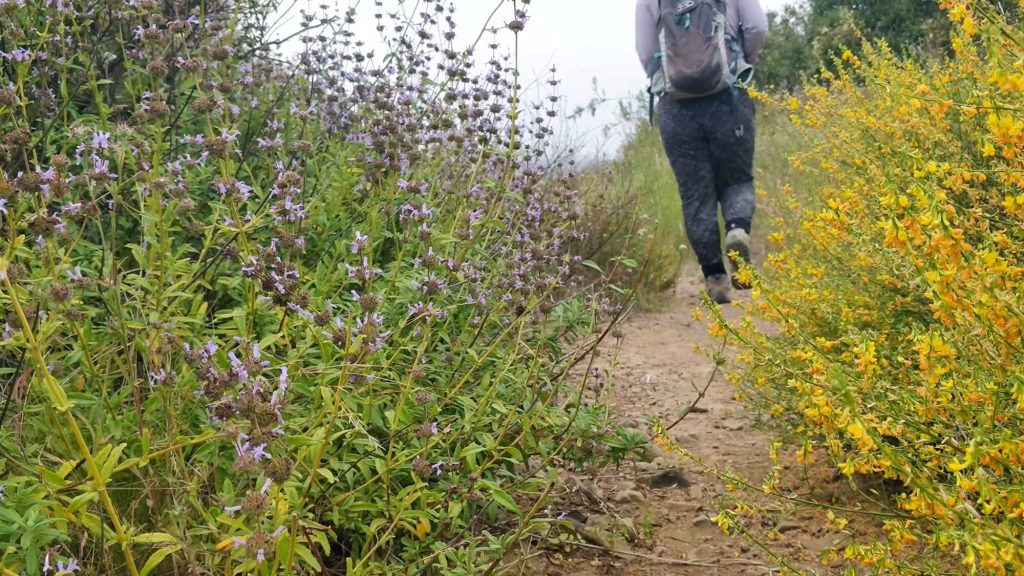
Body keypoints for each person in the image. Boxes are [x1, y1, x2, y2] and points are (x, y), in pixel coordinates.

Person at [635, 0, 768, 304]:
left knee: (695, 194)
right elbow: (757, 27)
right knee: (736, 181)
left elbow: (644, 52)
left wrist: (676, 78)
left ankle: (715, 278)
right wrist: (740, 62)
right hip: (729, 97)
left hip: (676, 110)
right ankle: (737, 230)